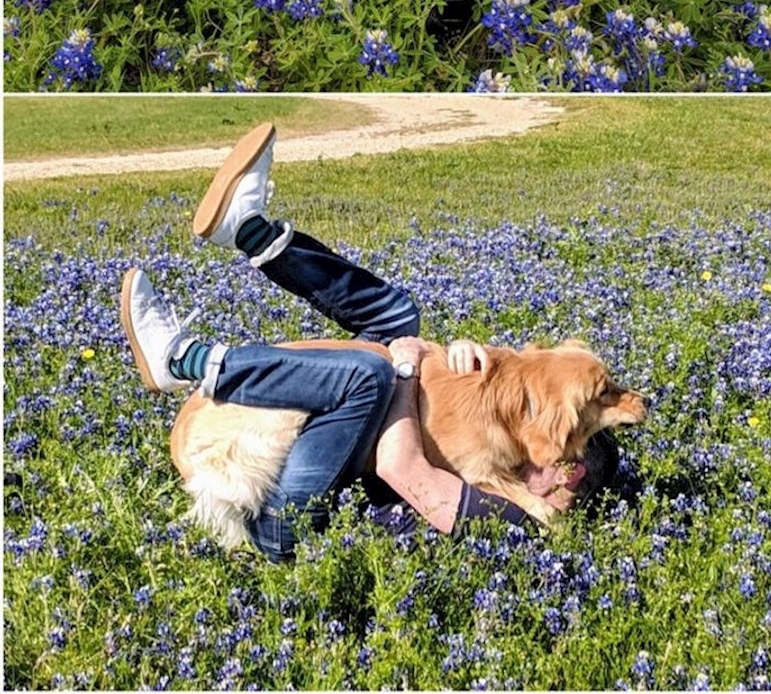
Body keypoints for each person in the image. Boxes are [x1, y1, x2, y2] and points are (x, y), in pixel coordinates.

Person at [120, 122, 618, 562]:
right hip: (311, 456)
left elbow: (400, 466)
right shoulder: (506, 458)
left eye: (559, 460)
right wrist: (446, 358)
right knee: (399, 318)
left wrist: (405, 370)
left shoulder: (512, 520)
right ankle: (252, 233)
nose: (544, 452)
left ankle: (184, 359)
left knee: (373, 375)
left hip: (284, 519)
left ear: (566, 482)